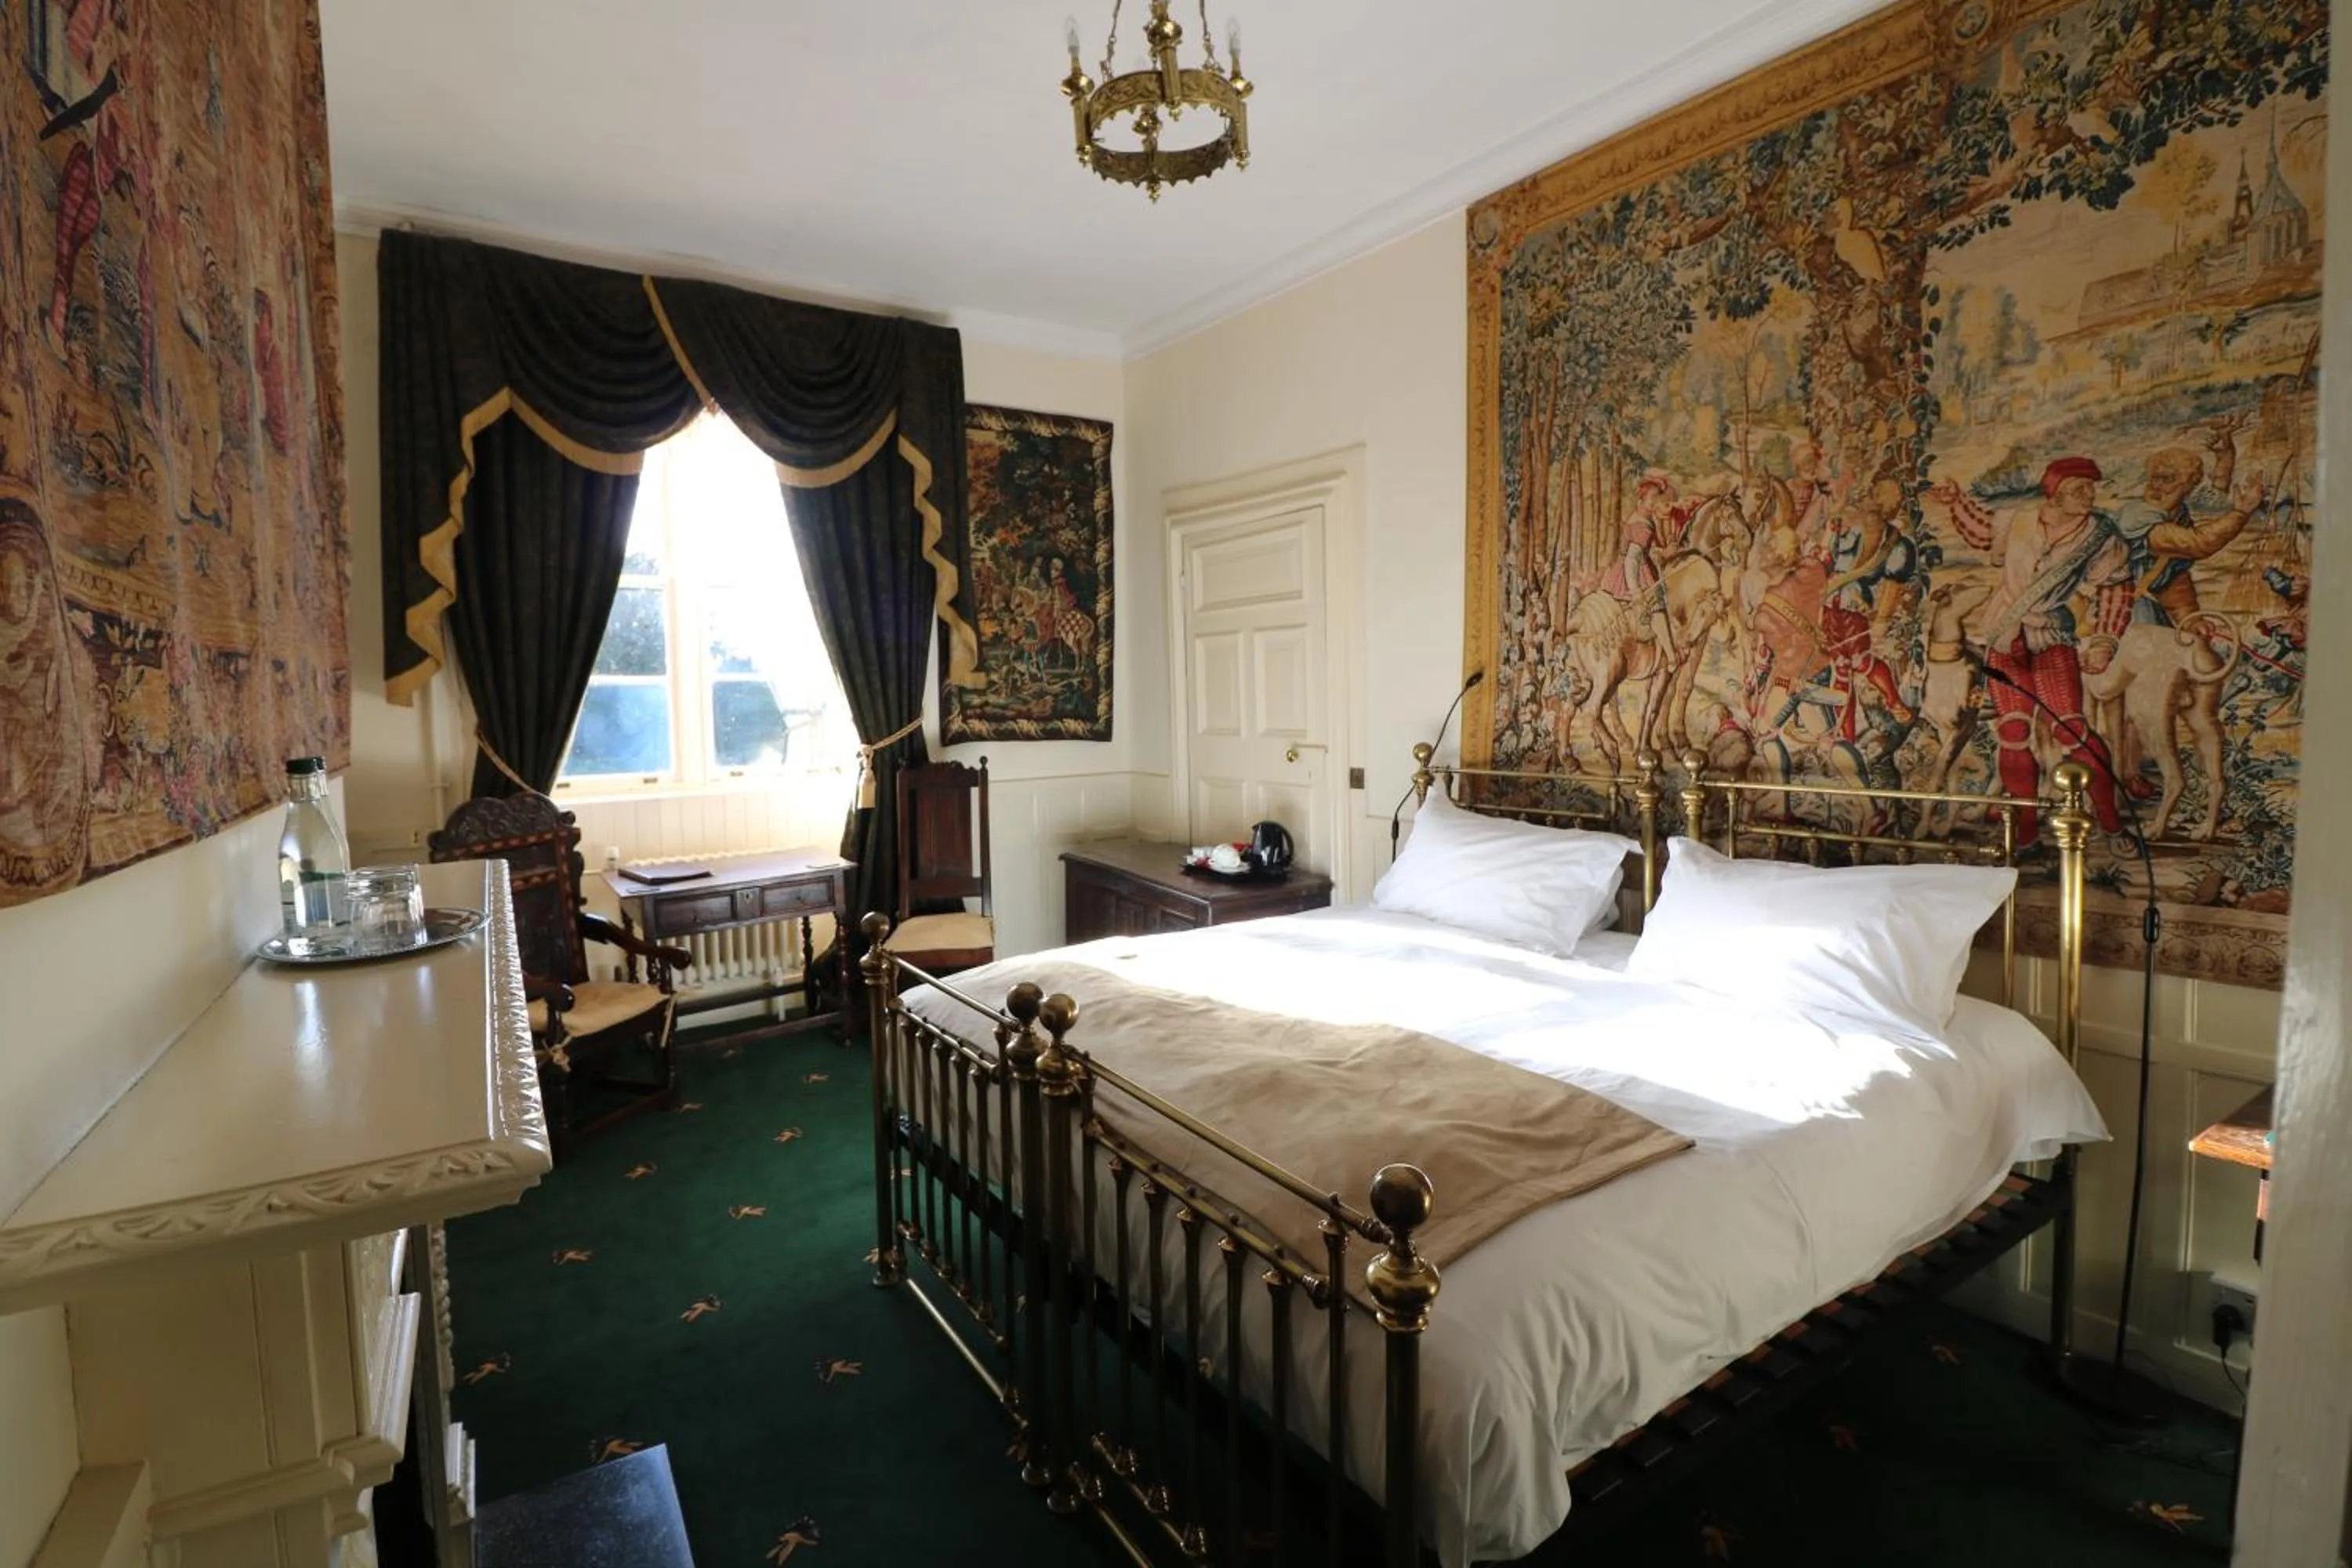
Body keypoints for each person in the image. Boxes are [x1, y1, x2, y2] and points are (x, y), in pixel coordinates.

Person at [1941, 456, 2131, 836]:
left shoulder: (2101, 535)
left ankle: (2111, 821)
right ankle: (2025, 824)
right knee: (2012, 731)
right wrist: (1955, 501)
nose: (2089, 496)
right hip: (2004, 634)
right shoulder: (2020, 520)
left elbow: (2116, 586)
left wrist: (2105, 640)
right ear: (2055, 493)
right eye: (2080, 490)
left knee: (2071, 729)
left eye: (2091, 489)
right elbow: (1981, 532)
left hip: (2050, 635)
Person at [2110, 443, 2264, 626]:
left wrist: (2190, 621)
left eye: (2166, 479)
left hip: (2134, 601)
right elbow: (2198, 543)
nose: (2156, 486)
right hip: (2112, 606)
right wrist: (2241, 514)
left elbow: (2172, 578)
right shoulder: (2136, 516)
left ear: (2188, 486)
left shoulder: (2178, 516)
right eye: (2154, 478)